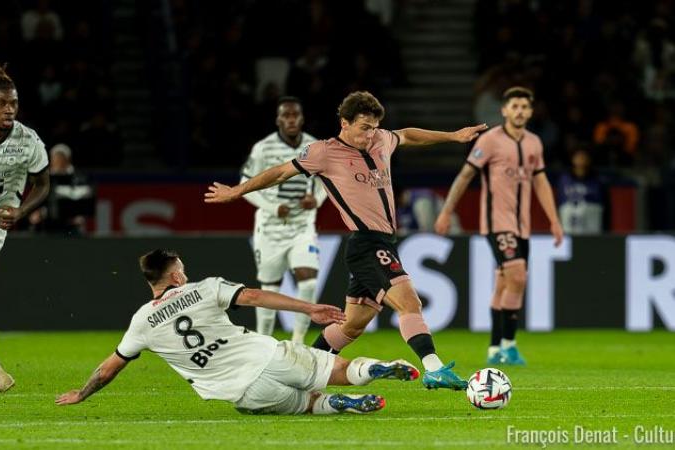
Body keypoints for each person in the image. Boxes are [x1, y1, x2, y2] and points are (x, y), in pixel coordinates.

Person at [205, 91, 486, 391]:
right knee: (410, 303)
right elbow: (279, 173)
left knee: (352, 325)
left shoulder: (380, 140)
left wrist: (453, 136)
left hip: (384, 242)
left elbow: (406, 136)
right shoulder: (323, 152)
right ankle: (434, 368)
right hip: (367, 244)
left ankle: (301, 374)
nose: (371, 134)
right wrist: (237, 191)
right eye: (365, 127)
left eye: (375, 127)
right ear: (345, 123)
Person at [55, 249, 420, 415]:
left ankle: (336, 406)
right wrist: (309, 308)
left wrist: (82, 394)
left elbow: (110, 367)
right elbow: (255, 296)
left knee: (305, 404)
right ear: (177, 276)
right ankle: (372, 370)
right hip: (267, 355)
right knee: (338, 370)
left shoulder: (141, 322)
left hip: (242, 390)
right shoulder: (203, 288)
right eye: (182, 268)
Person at [434, 86, 563, 366]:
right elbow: (466, 175)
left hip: (523, 226)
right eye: (514, 106)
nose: (519, 111)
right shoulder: (490, 141)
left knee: (506, 282)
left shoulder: (534, 143)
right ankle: (509, 344)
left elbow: (540, 182)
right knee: (517, 275)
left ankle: (496, 348)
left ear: (530, 111)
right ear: (504, 110)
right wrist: (446, 212)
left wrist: (554, 220)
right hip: (497, 222)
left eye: (524, 107)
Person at [0, 63, 50, 391]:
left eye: (14, 104)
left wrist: (21, 211)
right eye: (2, 103)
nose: (9, 109)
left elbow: (44, 184)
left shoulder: (27, 141)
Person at [241, 96, 327, 344]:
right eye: (286, 116)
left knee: (309, 282)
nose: (291, 120)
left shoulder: (315, 147)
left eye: (295, 115)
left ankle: (298, 342)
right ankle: (263, 344)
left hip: (302, 226)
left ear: (301, 118)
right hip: (269, 228)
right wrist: (272, 206)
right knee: (269, 290)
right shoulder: (263, 148)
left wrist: (317, 200)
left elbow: (325, 182)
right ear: (278, 119)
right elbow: (245, 186)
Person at [28, 143, 95, 234]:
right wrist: (37, 213)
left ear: (67, 160)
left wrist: (79, 216)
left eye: (60, 158)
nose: (57, 162)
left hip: (72, 229)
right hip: (47, 228)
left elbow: (84, 202)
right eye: (55, 158)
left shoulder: (79, 179)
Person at [556, 148, 607, 234]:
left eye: (584, 157)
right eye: (578, 157)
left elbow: (602, 205)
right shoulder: (564, 179)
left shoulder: (598, 180)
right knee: (567, 210)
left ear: (589, 160)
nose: (581, 160)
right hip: (570, 218)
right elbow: (560, 202)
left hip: (590, 217)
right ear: (573, 159)